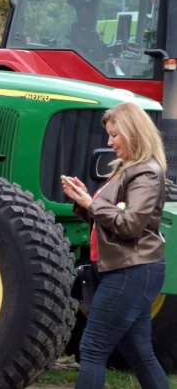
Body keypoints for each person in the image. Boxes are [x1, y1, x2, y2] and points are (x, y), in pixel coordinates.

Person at [62, 102, 168, 389]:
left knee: (93, 349)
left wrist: (92, 203)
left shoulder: (146, 172)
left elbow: (131, 225)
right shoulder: (127, 169)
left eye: (114, 135)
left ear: (133, 133)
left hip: (131, 271)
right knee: (140, 354)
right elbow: (109, 219)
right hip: (128, 269)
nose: (109, 142)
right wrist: (84, 200)